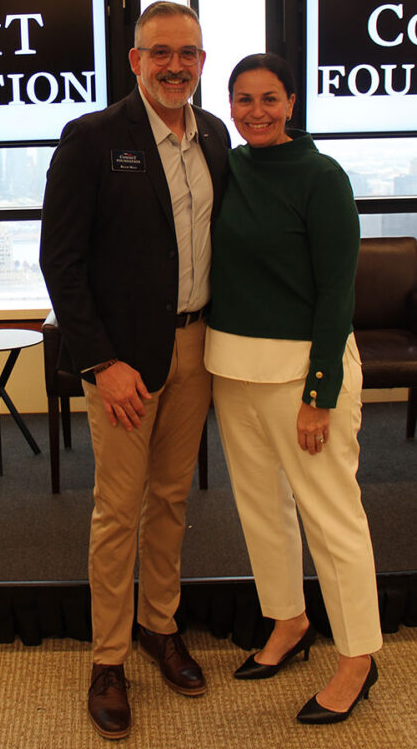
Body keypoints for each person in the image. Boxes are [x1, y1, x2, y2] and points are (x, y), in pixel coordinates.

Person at [39, 0, 229, 739]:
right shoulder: (92, 138)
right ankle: (108, 659)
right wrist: (100, 361)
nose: (175, 66)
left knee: (173, 497)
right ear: (135, 60)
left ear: (201, 61)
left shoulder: (214, 136)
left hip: (198, 347)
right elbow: (61, 260)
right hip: (122, 361)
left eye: (187, 53)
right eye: (160, 53)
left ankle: (159, 625)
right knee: (118, 509)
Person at [205, 52, 382, 726]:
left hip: (303, 375)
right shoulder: (230, 168)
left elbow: (337, 291)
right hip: (233, 367)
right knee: (260, 509)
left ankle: (357, 658)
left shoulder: (321, 177)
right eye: (243, 100)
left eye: (269, 98)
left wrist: (319, 393)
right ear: (229, 106)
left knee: (331, 517)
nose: (256, 112)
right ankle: (288, 621)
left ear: (291, 103)